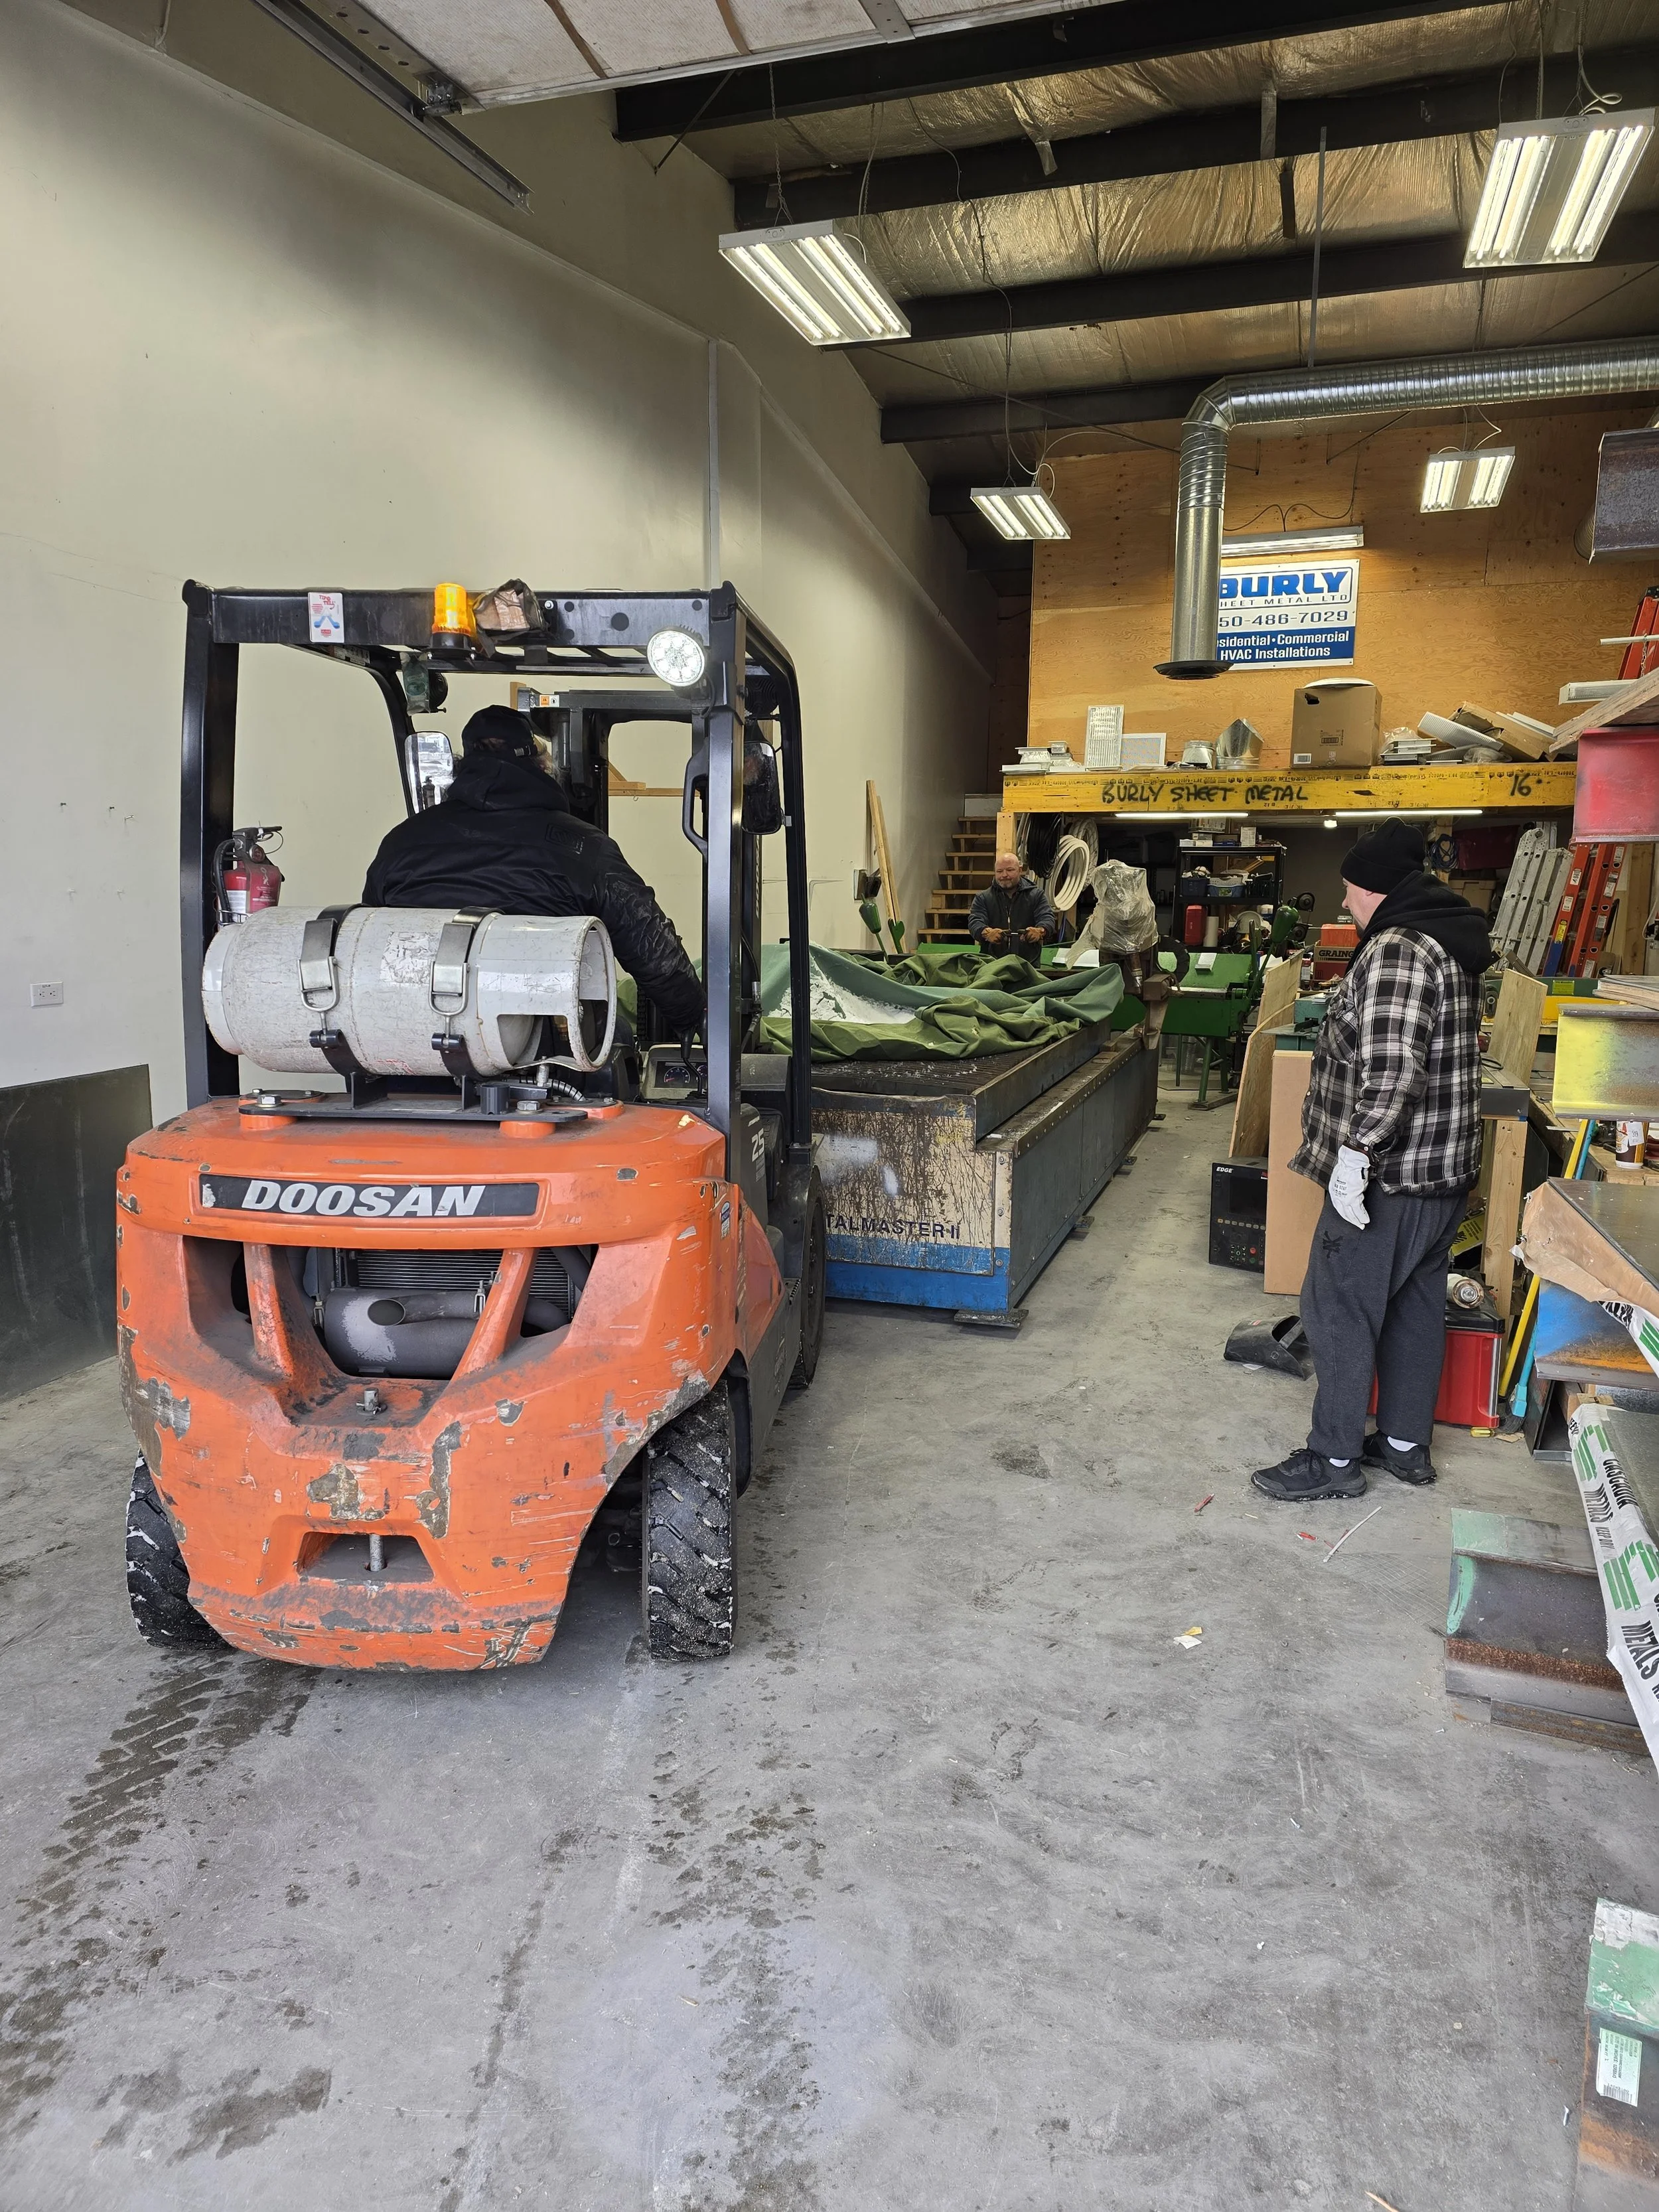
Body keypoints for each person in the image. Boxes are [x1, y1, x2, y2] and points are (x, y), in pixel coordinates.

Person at [1251, 819, 1493, 1505]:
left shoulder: (1396, 948)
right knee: (1417, 1305)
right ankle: (1404, 1446)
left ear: (1372, 889)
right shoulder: (1448, 940)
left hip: (1389, 1176)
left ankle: (1331, 1461)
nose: (1348, 906)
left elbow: (1392, 1068)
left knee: (1336, 1309)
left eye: (1352, 893)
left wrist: (1357, 1154)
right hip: (1440, 1175)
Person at [362, 703, 703, 1041]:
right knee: (620, 1036)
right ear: (540, 767)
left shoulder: (400, 843)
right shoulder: (584, 847)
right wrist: (694, 1020)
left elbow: (370, 938)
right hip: (539, 1050)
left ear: (463, 766)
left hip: (420, 1038)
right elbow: (651, 948)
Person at [968, 851, 1057, 954]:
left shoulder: (1037, 895)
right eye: (999, 871)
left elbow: (1047, 918)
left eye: (1010, 870)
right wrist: (986, 933)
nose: (1004, 875)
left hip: (1028, 963)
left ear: (1020, 870)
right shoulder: (982, 898)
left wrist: (1040, 931)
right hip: (992, 963)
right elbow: (975, 922)